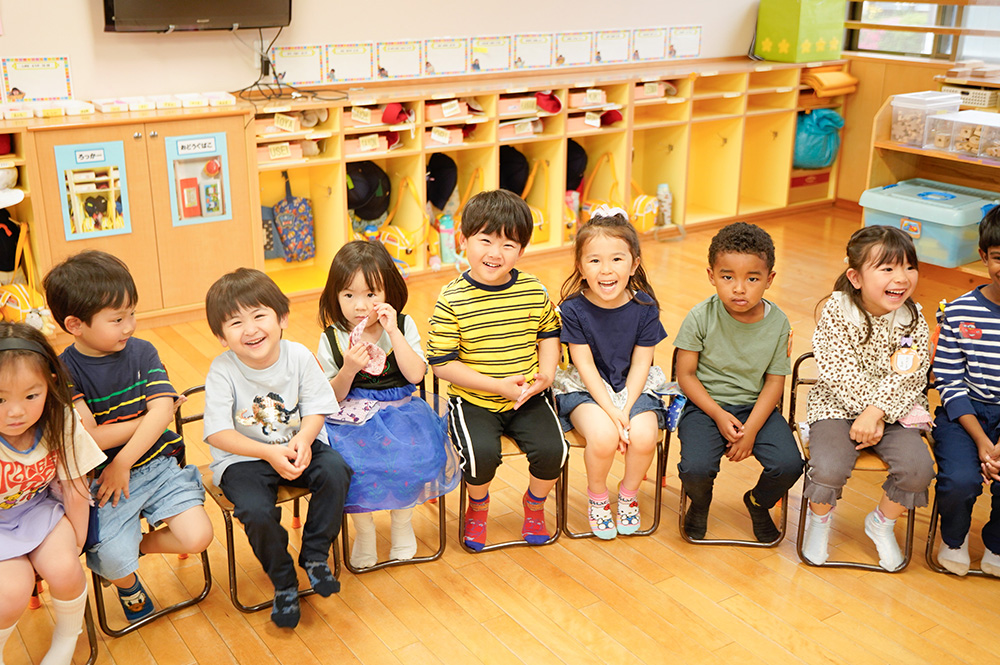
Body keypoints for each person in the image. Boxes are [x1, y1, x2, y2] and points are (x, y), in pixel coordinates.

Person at [43, 251, 211, 623]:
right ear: (75, 324)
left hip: (154, 467)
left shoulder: (142, 352)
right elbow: (90, 439)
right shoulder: (63, 370)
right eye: (118, 319)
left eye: (131, 313)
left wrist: (123, 460)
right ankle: (128, 584)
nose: (130, 326)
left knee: (198, 536)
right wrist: (154, 416)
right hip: (103, 483)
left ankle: (138, 547)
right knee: (110, 559)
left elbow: (146, 422)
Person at [203, 268, 352, 628]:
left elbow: (317, 406)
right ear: (221, 336)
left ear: (282, 317)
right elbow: (218, 433)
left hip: (298, 445)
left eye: (259, 315)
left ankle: (314, 555)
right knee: (255, 511)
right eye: (235, 323)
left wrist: (304, 439)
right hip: (244, 459)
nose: (250, 329)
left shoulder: (298, 355)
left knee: (336, 471)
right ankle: (284, 581)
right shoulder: (222, 370)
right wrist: (269, 452)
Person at [427, 189, 566, 551]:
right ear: (463, 241)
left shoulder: (533, 290)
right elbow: (442, 364)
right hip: (473, 400)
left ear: (522, 250)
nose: (495, 253)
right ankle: (478, 506)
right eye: (485, 240)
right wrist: (496, 386)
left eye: (508, 245)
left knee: (555, 451)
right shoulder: (452, 298)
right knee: (479, 457)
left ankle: (534, 504)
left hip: (527, 397)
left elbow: (549, 333)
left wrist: (547, 375)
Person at [801, 226, 935, 571]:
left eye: (909, 267)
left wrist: (876, 414)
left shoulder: (912, 318)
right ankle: (820, 521)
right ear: (856, 277)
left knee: (918, 470)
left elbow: (911, 375)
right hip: (836, 405)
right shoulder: (837, 311)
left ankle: (881, 522)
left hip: (894, 410)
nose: (901, 278)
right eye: (887, 268)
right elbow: (838, 372)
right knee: (828, 468)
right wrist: (867, 414)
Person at [317, 241, 456, 569]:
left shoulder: (403, 325)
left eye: (371, 294)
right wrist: (348, 369)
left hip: (402, 414)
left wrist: (394, 333)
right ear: (335, 296)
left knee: (412, 459)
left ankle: (402, 523)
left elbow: (416, 374)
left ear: (388, 291)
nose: (360, 306)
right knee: (350, 466)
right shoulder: (332, 337)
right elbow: (330, 396)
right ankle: (364, 531)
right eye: (348, 295)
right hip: (351, 422)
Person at [674, 222, 803, 542]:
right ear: (711, 276)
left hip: (756, 408)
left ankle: (758, 503)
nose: (739, 288)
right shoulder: (700, 316)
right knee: (695, 468)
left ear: (769, 279)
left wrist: (752, 430)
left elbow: (774, 383)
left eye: (752, 278)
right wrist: (718, 414)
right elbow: (685, 375)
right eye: (727, 277)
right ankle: (699, 504)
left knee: (789, 464)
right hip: (705, 407)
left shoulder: (778, 323)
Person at [554, 208, 667, 539]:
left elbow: (642, 363)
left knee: (644, 436)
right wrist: (612, 412)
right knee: (603, 437)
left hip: (633, 386)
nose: (606, 270)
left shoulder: (645, 307)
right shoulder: (573, 309)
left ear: (633, 264)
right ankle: (598, 496)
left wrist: (626, 407)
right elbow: (584, 365)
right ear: (580, 266)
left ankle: (628, 494)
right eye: (594, 261)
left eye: (617, 259)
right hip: (586, 388)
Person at [0, 323, 105, 665]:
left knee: (65, 569)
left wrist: (75, 543)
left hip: (36, 509)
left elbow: (75, 486)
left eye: (31, 396)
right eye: (0, 399)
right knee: (10, 592)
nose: (16, 412)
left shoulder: (61, 419)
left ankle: (67, 636)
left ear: (50, 384)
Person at [932, 205, 1000, 576]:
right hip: (964, 414)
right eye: (999, 257)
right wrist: (982, 441)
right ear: (983, 256)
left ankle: (997, 545)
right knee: (959, 480)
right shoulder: (958, 312)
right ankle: (953, 540)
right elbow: (948, 379)